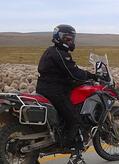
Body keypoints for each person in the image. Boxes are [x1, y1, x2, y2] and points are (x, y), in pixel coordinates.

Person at [36, 24, 97, 164]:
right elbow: (73, 72)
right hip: (55, 91)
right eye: (67, 39)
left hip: (46, 88)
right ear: (59, 38)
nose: (70, 42)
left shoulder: (52, 51)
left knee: (64, 117)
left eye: (72, 39)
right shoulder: (60, 54)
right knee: (75, 119)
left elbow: (65, 73)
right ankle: (75, 155)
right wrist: (92, 76)